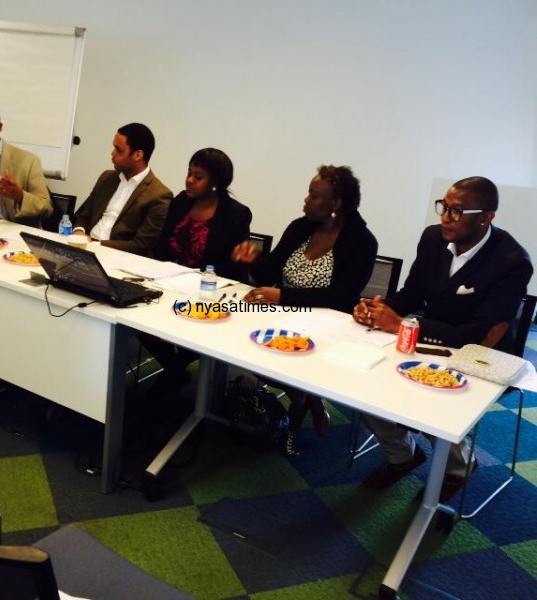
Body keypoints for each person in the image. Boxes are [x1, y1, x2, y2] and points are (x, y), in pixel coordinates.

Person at [353, 176, 533, 501]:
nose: (445, 218)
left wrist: (403, 327)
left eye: (457, 211)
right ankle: (402, 456)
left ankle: (459, 467)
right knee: (362, 379)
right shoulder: (433, 238)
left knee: (434, 399)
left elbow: (479, 333)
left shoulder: (512, 262)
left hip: (479, 354)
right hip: (428, 336)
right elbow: (413, 292)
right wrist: (380, 309)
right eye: (444, 208)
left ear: (486, 216)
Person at [233, 165, 378, 454]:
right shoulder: (300, 228)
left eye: (314, 195)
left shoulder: (362, 242)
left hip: (330, 326)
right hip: (284, 316)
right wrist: (252, 258)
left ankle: (302, 399)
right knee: (239, 340)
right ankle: (308, 398)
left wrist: (282, 295)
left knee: (285, 350)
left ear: (336, 203)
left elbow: (341, 297)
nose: (306, 200)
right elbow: (267, 274)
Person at [145, 148, 252, 396]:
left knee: (194, 328)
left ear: (216, 183)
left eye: (198, 176)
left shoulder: (236, 214)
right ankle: (175, 369)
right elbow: (162, 244)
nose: (189, 180)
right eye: (189, 173)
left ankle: (177, 373)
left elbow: (235, 266)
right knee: (136, 314)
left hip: (212, 292)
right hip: (172, 283)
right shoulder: (182, 201)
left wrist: (197, 279)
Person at [72, 123, 172, 256]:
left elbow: (141, 245)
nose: (112, 154)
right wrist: (79, 232)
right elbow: (84, 215)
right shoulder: (107, 178)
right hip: (84, 251)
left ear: (137, 155)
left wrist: (95, 244)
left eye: (119, 150)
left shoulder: (159, 195)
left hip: (117, 258)